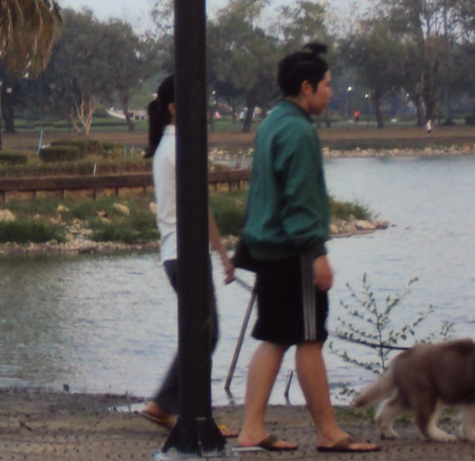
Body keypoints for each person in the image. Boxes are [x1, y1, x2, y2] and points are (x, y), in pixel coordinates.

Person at [236, 44, 378, 453]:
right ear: (306, 87)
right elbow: (300, 199)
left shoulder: (271, 123)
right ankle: (329, 432)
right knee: (309, 339)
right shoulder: (297, 130)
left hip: (266, 248)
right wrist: (317, 252)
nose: (332, 92)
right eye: (328, 85)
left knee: (275, 338)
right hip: (292, 249)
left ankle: (251, 429)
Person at [139, 76, 237, 437]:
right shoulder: (180, 147)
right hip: (185, 254)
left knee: (204, 332)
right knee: (204, 333)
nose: (201, 107)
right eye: (192, 100)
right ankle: (183, 410)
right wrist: (224, 255)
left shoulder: (169, 145)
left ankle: (168, 403)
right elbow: (200, 207)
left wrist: (221, 255)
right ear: (173, 108)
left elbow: (197, 205)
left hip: (177, 253)